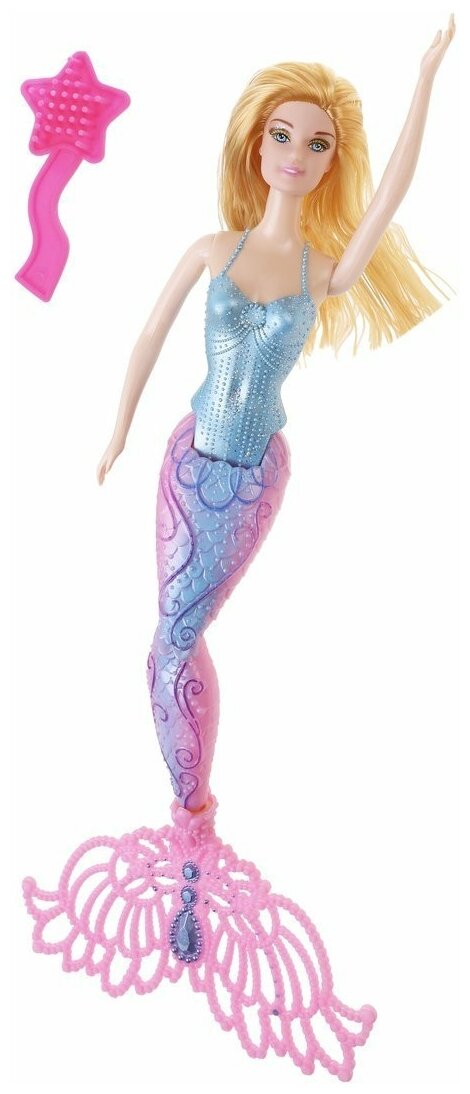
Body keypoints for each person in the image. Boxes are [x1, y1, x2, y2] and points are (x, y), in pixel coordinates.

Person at [24, 22, 456, 1080]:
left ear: (330, 161)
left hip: (251, 479)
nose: (297, 154)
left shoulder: (322, 267)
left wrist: (424, 77)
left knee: (175, 639)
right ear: (255, 145)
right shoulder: (211, 249)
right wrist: (118, 430)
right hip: (185, 462)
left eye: (317, 142)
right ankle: (191, 827)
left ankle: (192, 832)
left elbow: (395, 190)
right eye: (282, 135)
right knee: (166, 641)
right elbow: (145, 337)